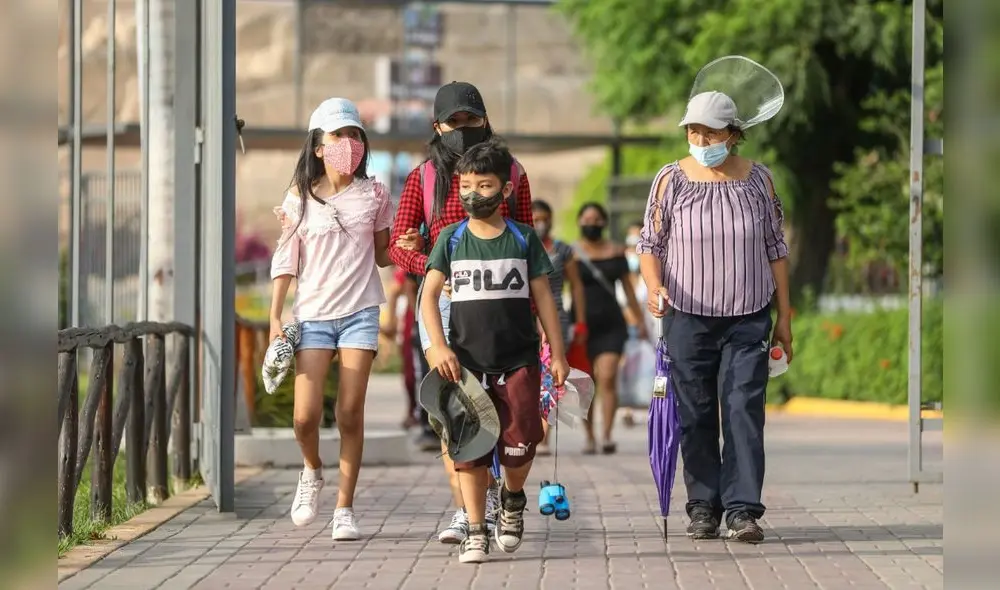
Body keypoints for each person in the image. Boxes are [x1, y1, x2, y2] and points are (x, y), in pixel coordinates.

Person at [636, 90, 793, 544]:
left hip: (748, 317)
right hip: (688, 318)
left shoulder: (759, 181)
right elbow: (651, 245)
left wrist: (784, 317)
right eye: (693, 130)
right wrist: (654, 286)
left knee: (744, 409)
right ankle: (703, 505)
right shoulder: (671, 180)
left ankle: (743, 510)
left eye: (710, 131)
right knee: (696, 412)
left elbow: (776, 250)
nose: (700, 139)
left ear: (733, 135)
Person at [388, 81, 536, 545]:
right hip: (444, 302)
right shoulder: (423, 178)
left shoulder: (513, 172)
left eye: (472, 120)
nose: (464, 129)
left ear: (486, 121)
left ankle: (496, 501)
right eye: (455, 122)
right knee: (455, 412)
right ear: (438, 127)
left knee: (507, 412)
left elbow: (527, 242)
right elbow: (397, 243)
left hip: (500, 304)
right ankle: (466, 511)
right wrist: (434, 266)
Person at [421, 137, 568, 564]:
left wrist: (557, 354)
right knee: (468, 448)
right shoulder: (450, 240)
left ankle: (512, 498)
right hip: (465, 365)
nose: (473, 194)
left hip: (519, 360)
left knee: (522, 442)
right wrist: (439, 346)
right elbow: (428, 297)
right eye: (466, 185)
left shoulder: (523, 239)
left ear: (505, 190)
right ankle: (476, 529)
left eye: (484, 186)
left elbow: (544, 300)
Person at [269, 98, 394, 541]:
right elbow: (286, 259)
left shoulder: (375, 194)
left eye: (354, 134)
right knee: (305, 418)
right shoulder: (298, 199)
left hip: (360, 312)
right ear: (318, 147)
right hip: (313, 316)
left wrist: (405, 244)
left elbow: (382, 256)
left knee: (349, 411)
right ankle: (312, 470)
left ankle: (345, 507)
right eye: (338, 136)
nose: (348, 143)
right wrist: (274, 319)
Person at [572, 203, 645, 455]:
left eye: (596, 219)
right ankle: (589, 435)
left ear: (604, 222)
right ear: (579, 222)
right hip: (581, 325)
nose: (592, 223)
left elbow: (628, 289)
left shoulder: (615, 252)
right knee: (585, 384)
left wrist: (639, 320)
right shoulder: (571, 253)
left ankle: (606, 435)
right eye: (587, 218)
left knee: (607, 376)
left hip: (612, 324)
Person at [529, 199, 587, 455]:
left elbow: (576, 286)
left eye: (545, 218)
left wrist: (580, 320)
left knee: (550, 376)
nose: (541, 223)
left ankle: (544, 435)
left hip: (555, 316)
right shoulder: (522, 245)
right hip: (524, 317)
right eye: (535, 218)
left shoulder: (563, 250)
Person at [380, 268, 420, 429]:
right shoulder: (406, 264)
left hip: (423, 310)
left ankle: (418, 413)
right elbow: (396, 290)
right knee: (411, 371)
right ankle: (412, 410)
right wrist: (391, 321)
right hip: (413, 316)